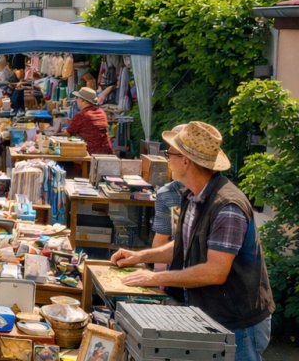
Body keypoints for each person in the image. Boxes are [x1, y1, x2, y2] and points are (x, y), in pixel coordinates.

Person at [111, 121, 273, 361]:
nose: (167, 159)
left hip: (238, 323)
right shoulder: (194, 195)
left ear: (185, 160)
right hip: (212, 313)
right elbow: (185, 245)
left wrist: (156, 277)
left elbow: (215, 272)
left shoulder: (227, 206)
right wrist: (142, 256)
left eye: (170, 154)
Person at [65, 87, 114, 155]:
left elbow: (68, 134)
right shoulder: (101, 112)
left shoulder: (81, 115)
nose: (76, 100)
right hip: (107, 151)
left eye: (78, 98)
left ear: (83, 101)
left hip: (91, 153)